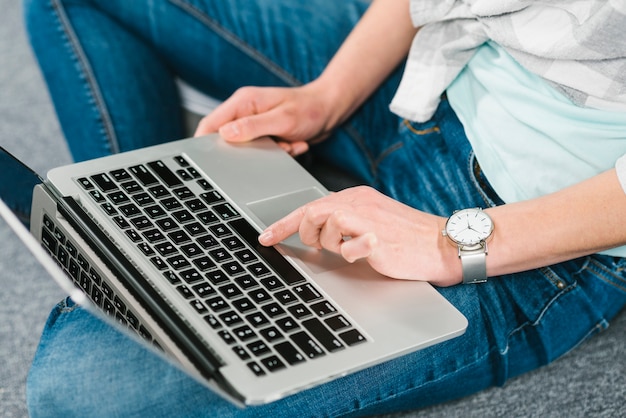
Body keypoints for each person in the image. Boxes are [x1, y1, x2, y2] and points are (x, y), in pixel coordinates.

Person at [23, 0, 626, 416]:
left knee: (80, 388)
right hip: (435, 74)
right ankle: (162, 232)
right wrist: (325, 99)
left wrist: (451, 242)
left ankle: (187, 253)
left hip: (533, 219)